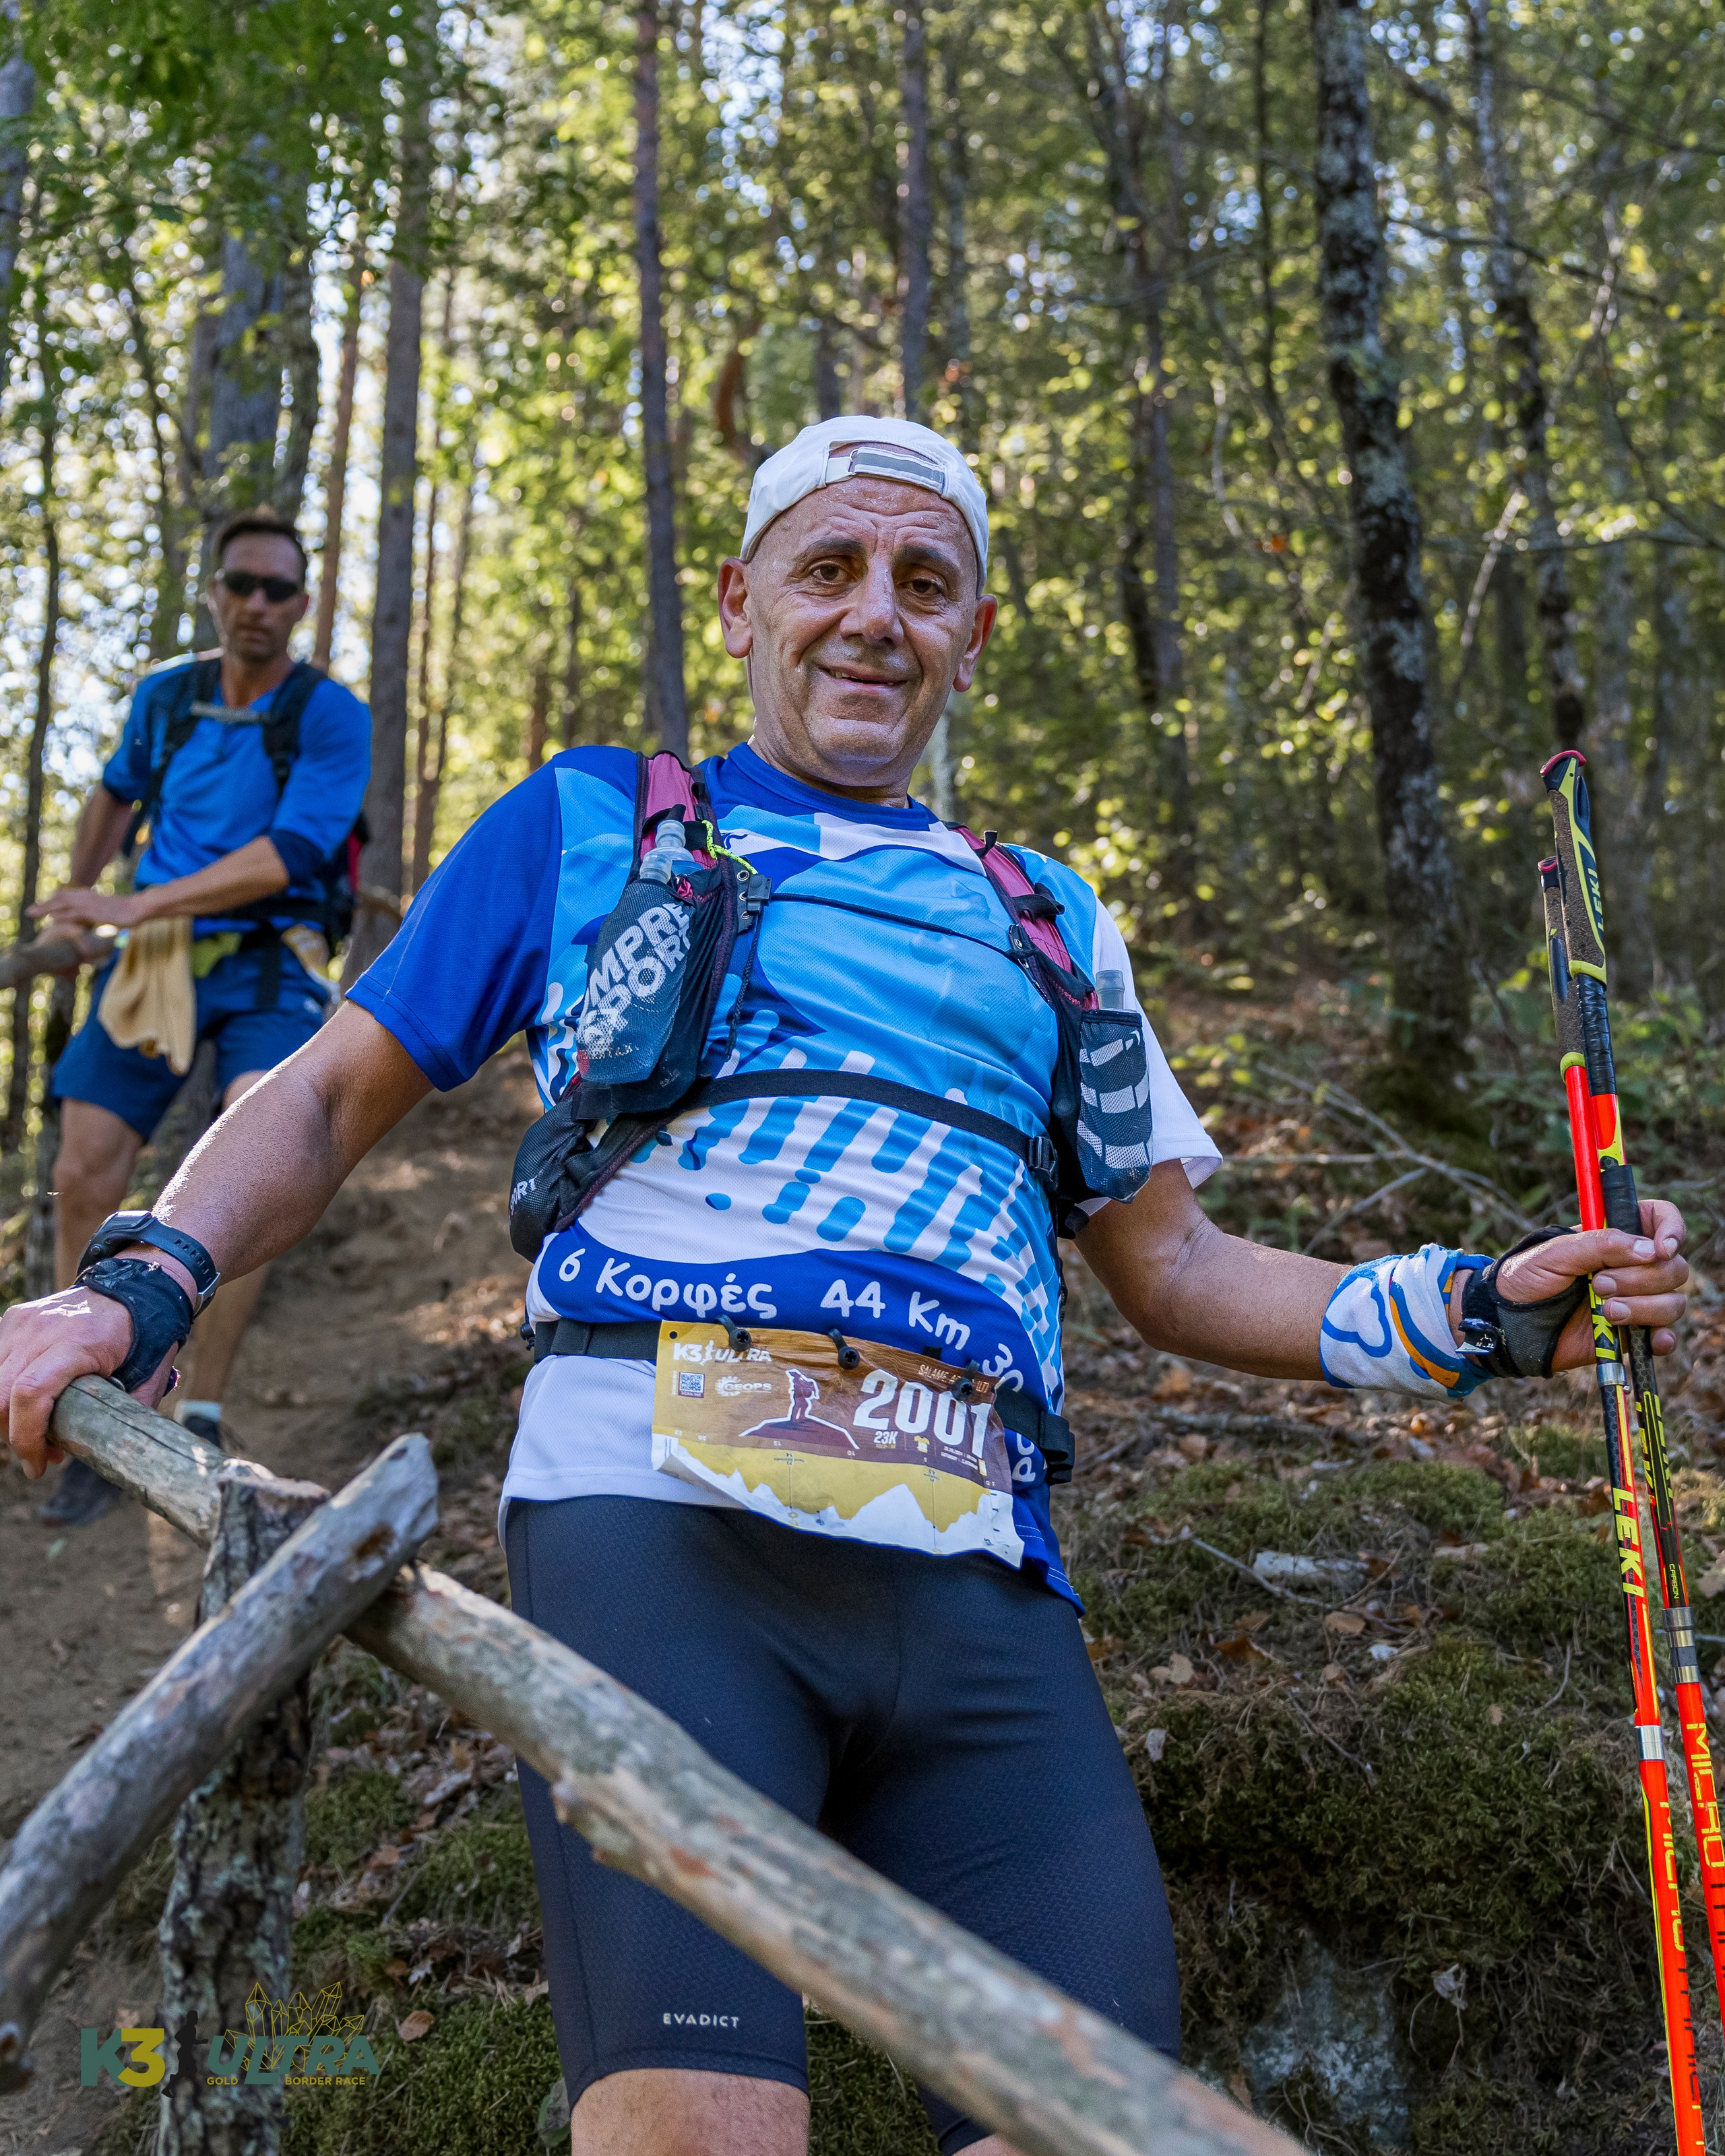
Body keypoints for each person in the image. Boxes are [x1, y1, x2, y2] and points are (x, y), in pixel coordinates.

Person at [0, 417, 1689, 2156]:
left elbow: (1175, 1267)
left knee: (1106, 2136)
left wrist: (1474, 1316)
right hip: (660, 1531)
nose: (875, 614)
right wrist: (132, 1282)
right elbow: (330, 1095)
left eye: (923, 582)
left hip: (981, 1585)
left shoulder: (1049, 917)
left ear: (970, 630)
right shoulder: (598, 819)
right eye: (830, 570)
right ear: (741, 603)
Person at [24, 506, 371, 1525]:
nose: (256, 604)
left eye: (277, 589)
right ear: (214, 592)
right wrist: (80, 898)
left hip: (274, 956)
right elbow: (114, 793)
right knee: (83, 1166)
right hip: (154, 960)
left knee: (260, 1142)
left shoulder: (328, 713)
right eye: (240, 584)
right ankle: (82, 1387)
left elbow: (294, 850)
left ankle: (200, 1408)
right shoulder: (166, 699)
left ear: (302, 604)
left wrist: (133, 902)